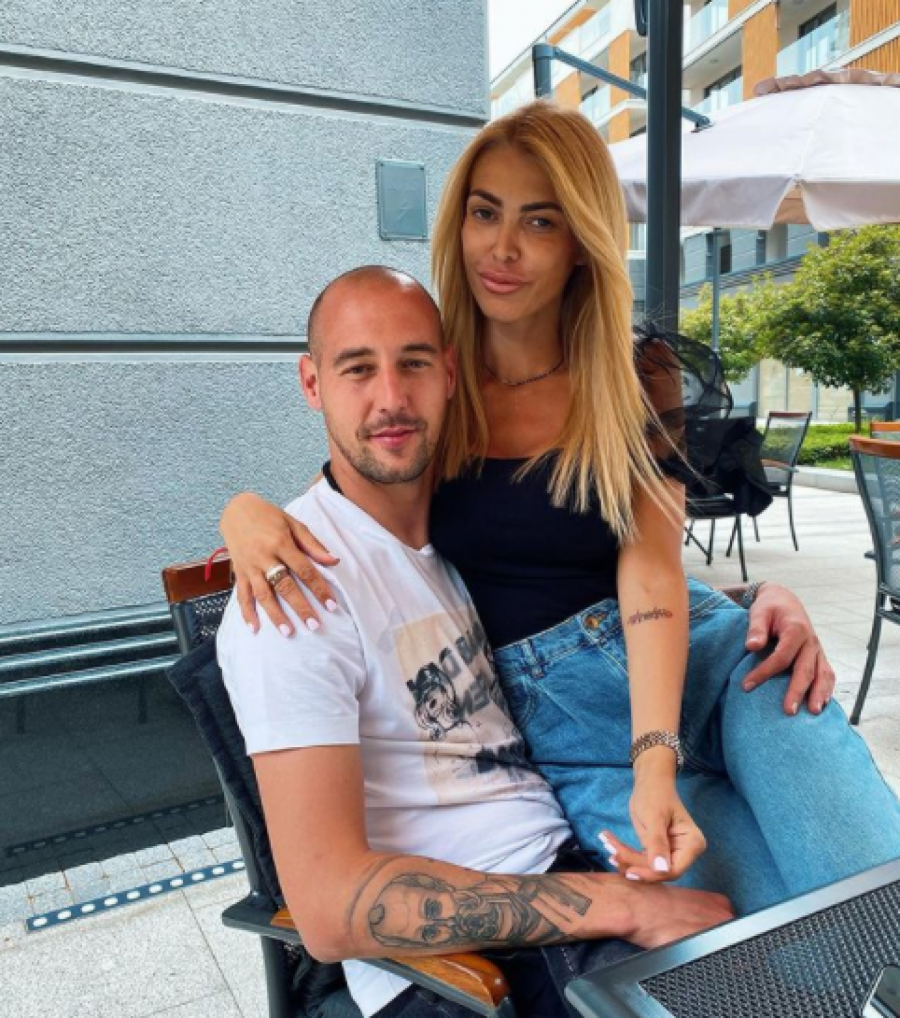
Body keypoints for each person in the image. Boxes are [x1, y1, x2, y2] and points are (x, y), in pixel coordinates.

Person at [219, 102, 900, 916]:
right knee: (774, 946)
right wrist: (243, 512)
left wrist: (672, 734)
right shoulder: (437, 380)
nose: (502, 248)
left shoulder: (637, 372)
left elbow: (650, 571)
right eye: (485, 213)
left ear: (581, 241)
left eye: (539, 221)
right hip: (572, 732)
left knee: (872, 887)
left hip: (713, 667)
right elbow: (358, 481)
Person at [217, 266, 734, 1018]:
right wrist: (620, 907)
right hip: (464, 971)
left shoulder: (463, 536)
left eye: (414, 363)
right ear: (312, 383)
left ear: (451, 374)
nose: (391, 398)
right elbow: (327, 909)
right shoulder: (293, 596)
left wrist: (758, 603)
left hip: (577, 859)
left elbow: (617, 586)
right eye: (357, 369)